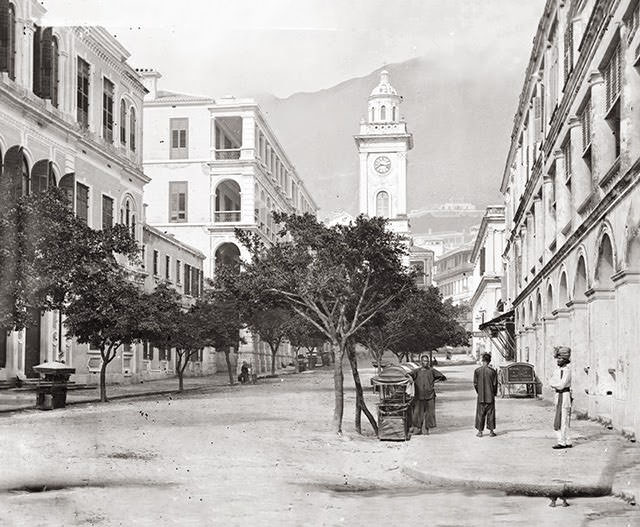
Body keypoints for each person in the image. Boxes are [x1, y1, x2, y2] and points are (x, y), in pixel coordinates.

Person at [410, 353, 447, 435]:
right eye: (424, 361)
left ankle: (426, 429)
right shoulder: (416, 371)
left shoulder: (432, 371)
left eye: (427, 361)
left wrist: (433, 382)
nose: (426, 363)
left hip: (430, 395)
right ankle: (418, 429)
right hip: (419, 396)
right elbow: (408, 375)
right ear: (421, 362)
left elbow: (442, 377)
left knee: (429, 413)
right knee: (418, 413)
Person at [549, 346, 573, 449]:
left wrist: (555, 384)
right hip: (558, 395)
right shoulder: (557, 370)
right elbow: (551, 381)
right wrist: (555, 384)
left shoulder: (567, 371)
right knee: (560, 419)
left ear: (565, 360)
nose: (558, 360)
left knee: (563, 420)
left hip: (564, 396)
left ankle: (562, 442)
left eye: (560, 358)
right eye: (557, 358)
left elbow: (561, 385)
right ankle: (567, 440)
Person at [473, 352, 498, 437]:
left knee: (480, 414)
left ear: (482, 360)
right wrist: (494, 393)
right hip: (490, 396)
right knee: (490, 413)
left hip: (481, 396)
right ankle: (491, 431)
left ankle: (480, 432)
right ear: (489, 361)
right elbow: (495, 384)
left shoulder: (477, 371)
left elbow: (475, 384)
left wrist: (479, 392)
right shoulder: (493, 372)